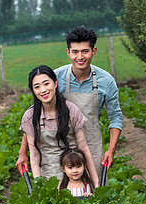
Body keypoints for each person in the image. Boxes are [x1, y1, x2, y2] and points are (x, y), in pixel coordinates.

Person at [16, 25, 123, 181]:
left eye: (85, 51)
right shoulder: (55, 78)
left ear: (93, 51)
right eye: (75, 52)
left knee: (94, 191)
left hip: (91, 145)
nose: (80, 57)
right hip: (61, 145)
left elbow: (116, 118)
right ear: (68, 52)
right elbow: (35, 114)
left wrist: (111, 150)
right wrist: (22, 152)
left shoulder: (106, 81)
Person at [20, 64, 99, 187]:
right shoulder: (30, 117)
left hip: (75, 176)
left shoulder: (71, 110)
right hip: (49, 175)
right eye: (37, 87)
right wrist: (39, 186)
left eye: (46, 83)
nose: (43, 90)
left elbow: (83, 148)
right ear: (33, 90)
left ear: (55, 83)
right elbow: (34, 157)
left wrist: (96, 182)